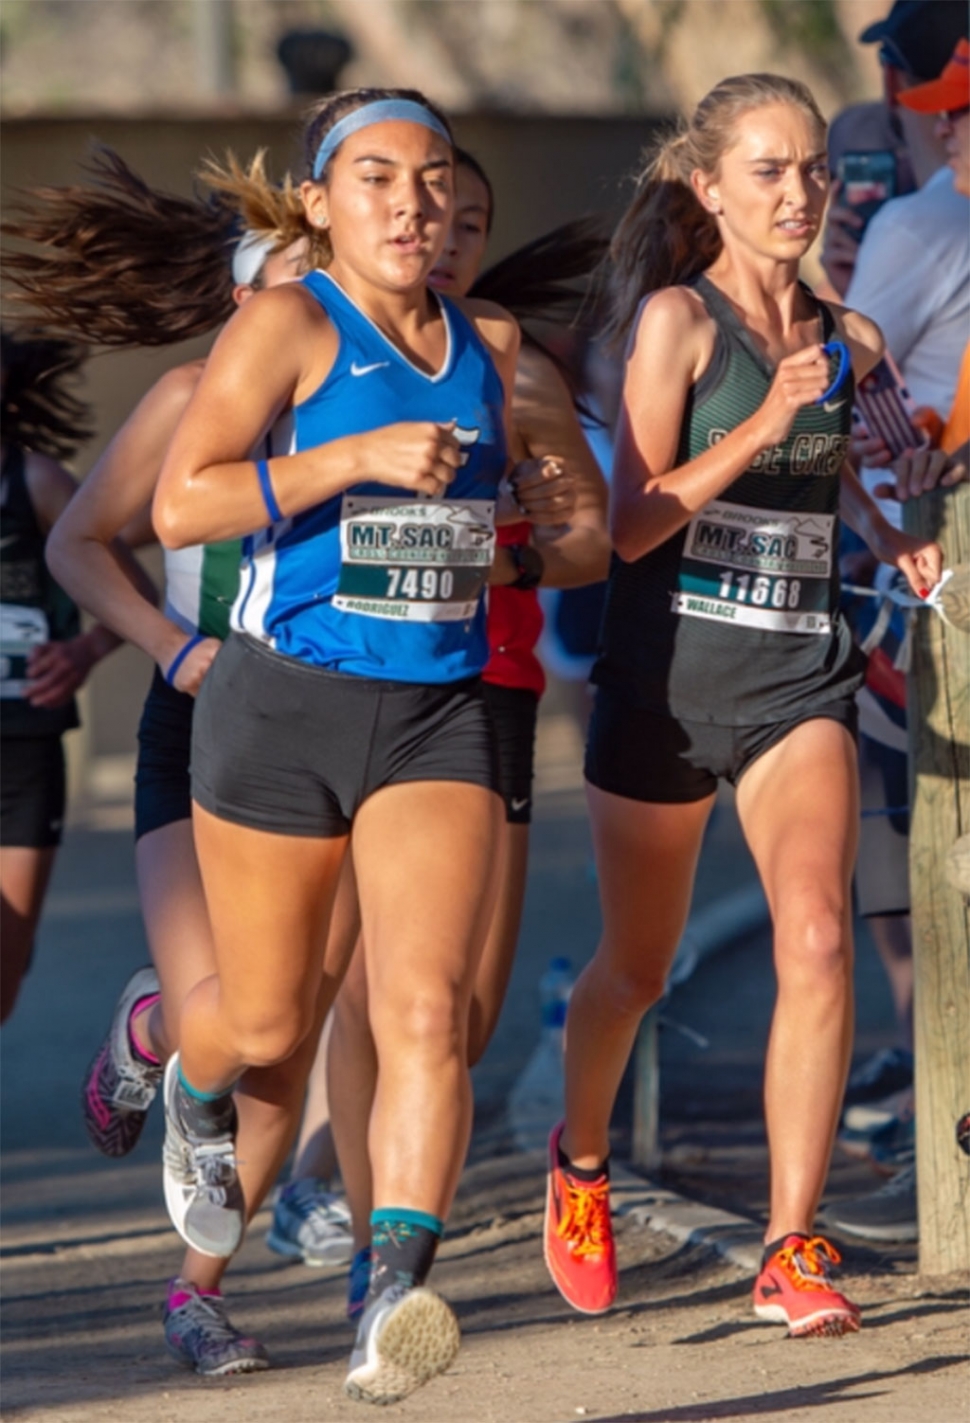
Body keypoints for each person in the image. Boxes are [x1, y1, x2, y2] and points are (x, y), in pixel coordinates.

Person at [152, 87, 573, 1405]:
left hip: (441, 708)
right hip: (283, 704)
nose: (412, 202)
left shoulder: (494, 346)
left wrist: (539, 512)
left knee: (423, 1012)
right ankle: (184, 1062)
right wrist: (350, 462)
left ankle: (394, 1292)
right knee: (268, 1015)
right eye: (378, 177)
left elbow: (573, 543)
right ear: (323, 204)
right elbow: (180, 502)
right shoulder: (288, 323)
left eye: (433, 177)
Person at [542, 73, 943, 1340]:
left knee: (815, 939)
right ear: (710, 189)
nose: (800, 193)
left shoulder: (849, 337)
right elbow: (634, 520)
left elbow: (853, 478)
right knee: (636, 971)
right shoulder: (678, 323)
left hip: (794, 682)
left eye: (815, 168)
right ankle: (583, 1158)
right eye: (769, 171)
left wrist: (897, 532)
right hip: (665, 685)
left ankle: (789, 1245)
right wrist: (766, 411)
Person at [16, 149, 353, 1375]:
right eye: (292, 289)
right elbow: (77, 543)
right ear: (245, 305)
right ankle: (156, 1028)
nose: (313, 313)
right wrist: (167, 644)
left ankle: (195, 1288)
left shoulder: (387, 406)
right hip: (200, 724)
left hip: (346, 722)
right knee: (237, 1016)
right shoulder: (186, 399)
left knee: (296, 1025)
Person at [320, 148, 610, 1319]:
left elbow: (582, 536)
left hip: (488, 682)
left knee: (457, 1012)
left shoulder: (502, 363)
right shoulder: (334, 348)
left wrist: (516, 536)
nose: (439, 234)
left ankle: (410, 1201)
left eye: (467, 220)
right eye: (424, 210)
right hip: (349, 687)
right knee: (367, 992)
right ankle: (365, 1240)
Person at [822, 35, 970, 1247]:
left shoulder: (918, 226)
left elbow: (844, 389)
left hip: (915, 569)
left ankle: (940, 1101)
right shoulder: (905, 231)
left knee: (919, 854)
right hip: (905, 576)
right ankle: (935, 1098)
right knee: (904, 853)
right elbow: (847, 395)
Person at [0, 330, 135, 1023]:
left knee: (3, 971)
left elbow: (133, 595)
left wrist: (82, 653)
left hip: (22, 752)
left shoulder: (37, 482)